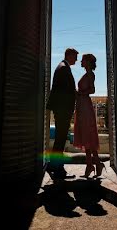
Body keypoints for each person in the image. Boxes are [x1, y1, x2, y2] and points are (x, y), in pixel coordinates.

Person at [45, 48, 78, 179]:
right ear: (69, 55)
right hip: (63, 109)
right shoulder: (64, 68)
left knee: (60, 138)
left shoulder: (62, 66)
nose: (76, 59)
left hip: (61, 109)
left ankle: (53, 165)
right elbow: (65, 92)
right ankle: (58, 169)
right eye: (75, 56)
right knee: (61, 138)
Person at [72, 53, 104, 178]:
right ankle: (93, 164)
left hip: (85, 106)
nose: (81, 62)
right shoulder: (86, 74)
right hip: (82, 105)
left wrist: (80, 94)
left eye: (83, 60)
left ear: (88, 62)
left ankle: (92, 165)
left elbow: (92, 90)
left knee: (87, 134)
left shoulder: (90, 74)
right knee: (85, 135)